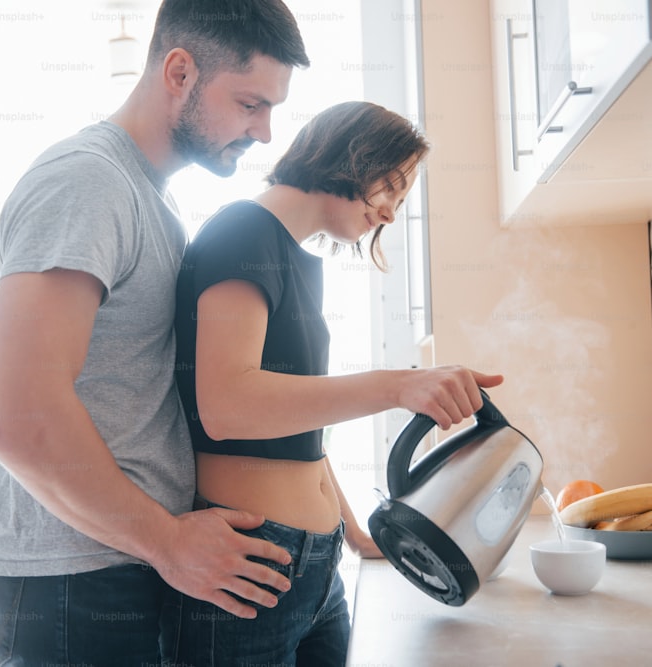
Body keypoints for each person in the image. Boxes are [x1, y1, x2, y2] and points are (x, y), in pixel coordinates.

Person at [0, 1, 310, 664]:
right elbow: (14, 415)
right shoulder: (87, 183)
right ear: (179, 72)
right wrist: (167, 541)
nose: (266, 132)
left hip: (114, 562)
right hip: (73, 580)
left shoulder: (155, 201)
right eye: (250, 103)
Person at [172, 101, 505, 665]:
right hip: (253, 567)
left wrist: (354, 535)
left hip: (319, 568)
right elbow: (228, 406)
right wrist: (397, 386)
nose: (392, 214)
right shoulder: (242, 231)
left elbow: (301, 427)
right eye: (393, 189)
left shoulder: (295, 259)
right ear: (355, 156)